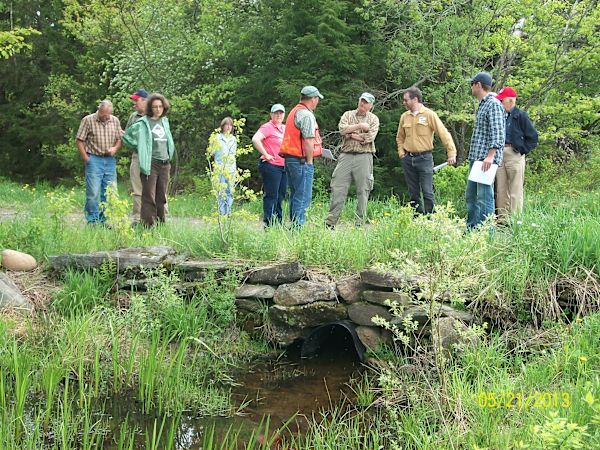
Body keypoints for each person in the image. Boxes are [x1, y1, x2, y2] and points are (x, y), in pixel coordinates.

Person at [396, 87, 457, 215]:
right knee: (413, 192)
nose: (404, 103)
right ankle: (417, 218)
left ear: (415, 99)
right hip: (408, 158)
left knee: (427, 191)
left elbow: (444, 134)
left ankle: (430, 219)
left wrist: (451, 152)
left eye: (406, 100)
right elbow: (400, 137)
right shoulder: (404, 117)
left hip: (424, 158)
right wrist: (401, 153)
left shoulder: (429, 115)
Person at [325, 93, 379, 228]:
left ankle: (359, 224)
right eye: (362, 100)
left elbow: (369, 138)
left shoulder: (373, 119)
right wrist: (360, 126)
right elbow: (342, 130)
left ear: (370, 105)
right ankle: (330, 222)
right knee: (338, 187)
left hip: (364, 156)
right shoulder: (348, 114)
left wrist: (351, 135)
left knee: (363, 189)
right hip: (346, 155)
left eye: (366, 102)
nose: (362, 103)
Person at [122, 93, 175, 227]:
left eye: (160, 106)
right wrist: (139, 147)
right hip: (151, 162)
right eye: (155, 107)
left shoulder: (165, 121)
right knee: (148, 195)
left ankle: (161, 224)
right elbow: (127, 136)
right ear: (150, 107)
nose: (158, 109)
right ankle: (148, 226)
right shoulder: (143, 122)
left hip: (164, 163)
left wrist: (170, 154)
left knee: (161, 196)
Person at [466, 72, 505, 230]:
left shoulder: (493, 104)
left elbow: (498, 133)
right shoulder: (482, 104)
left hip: (485, 160)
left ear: (478, 85)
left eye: (472, 84)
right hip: (476, 158)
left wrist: (490, 156)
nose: (471, 87)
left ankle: (486, 233)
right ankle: (471, 230)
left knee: (484, 197)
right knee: (471, 196)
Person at [279, 86, 323, 226]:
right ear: (313, 99)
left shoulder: (294, 111)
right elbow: (309, 140)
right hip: (301, 161)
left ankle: (294, 227)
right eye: (317, 99)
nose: (317, 102)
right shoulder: (306, 114)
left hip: (290, 159)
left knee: (295, 195)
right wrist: (310, 162)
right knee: (303, 196)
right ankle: (298, 229)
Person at [494, 86, 538, 221]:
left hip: (514, 153)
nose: (500, 104)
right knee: (501, 188)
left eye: (502, 101)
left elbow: (533, 137)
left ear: (510, 101)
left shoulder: (521, 116)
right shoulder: (500, 115)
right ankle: (502, 219)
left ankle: (515, 219)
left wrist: (521, 151)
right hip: (500, 153)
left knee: (515, 188)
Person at [76, 100, 122, 224]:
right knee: (93, 192)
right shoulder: (88, 120)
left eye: (107, 115)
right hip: (94, 158)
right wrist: (86, 157)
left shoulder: (115, 120)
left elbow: (119, 139)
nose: (105, 117)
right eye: (103, 114)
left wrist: (115, 148)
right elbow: (79, 140)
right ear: (99, 110)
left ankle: (105, 220)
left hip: (109, 160)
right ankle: (93, 220)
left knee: (109, 191)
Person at [252, 104, 287, 227]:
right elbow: (256, 139)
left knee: (281, 195)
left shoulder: (285, 128)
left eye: (281, 113)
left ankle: (278, 221)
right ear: (271, 114)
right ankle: (269, 223)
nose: (278, 115)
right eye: (276, 113)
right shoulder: (267, 127)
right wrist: (265, 154)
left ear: (284, 114)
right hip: (271, 166)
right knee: (272, 195)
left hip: (284, 166)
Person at [125, 88, 148, 221]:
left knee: (157, 188)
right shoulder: (133, 117)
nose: (134, 103)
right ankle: (137, 218)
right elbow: (127, 135)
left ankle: (161, 218)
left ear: (145, 101)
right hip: (137, 155)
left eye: (136, 100)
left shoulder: (155, 114)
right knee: (137, 188)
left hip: (153, 157)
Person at [213, 117, 237, 216]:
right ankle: (221, 212)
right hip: (220, 168)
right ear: (222, 126)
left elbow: (234, 154)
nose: (228, 127)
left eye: (230, 125)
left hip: (231, 168)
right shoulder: (217, 138)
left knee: (230, 191)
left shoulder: (233, 139)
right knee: (221, 191)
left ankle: (229, 211)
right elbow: (213, 152)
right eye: (226, 125)